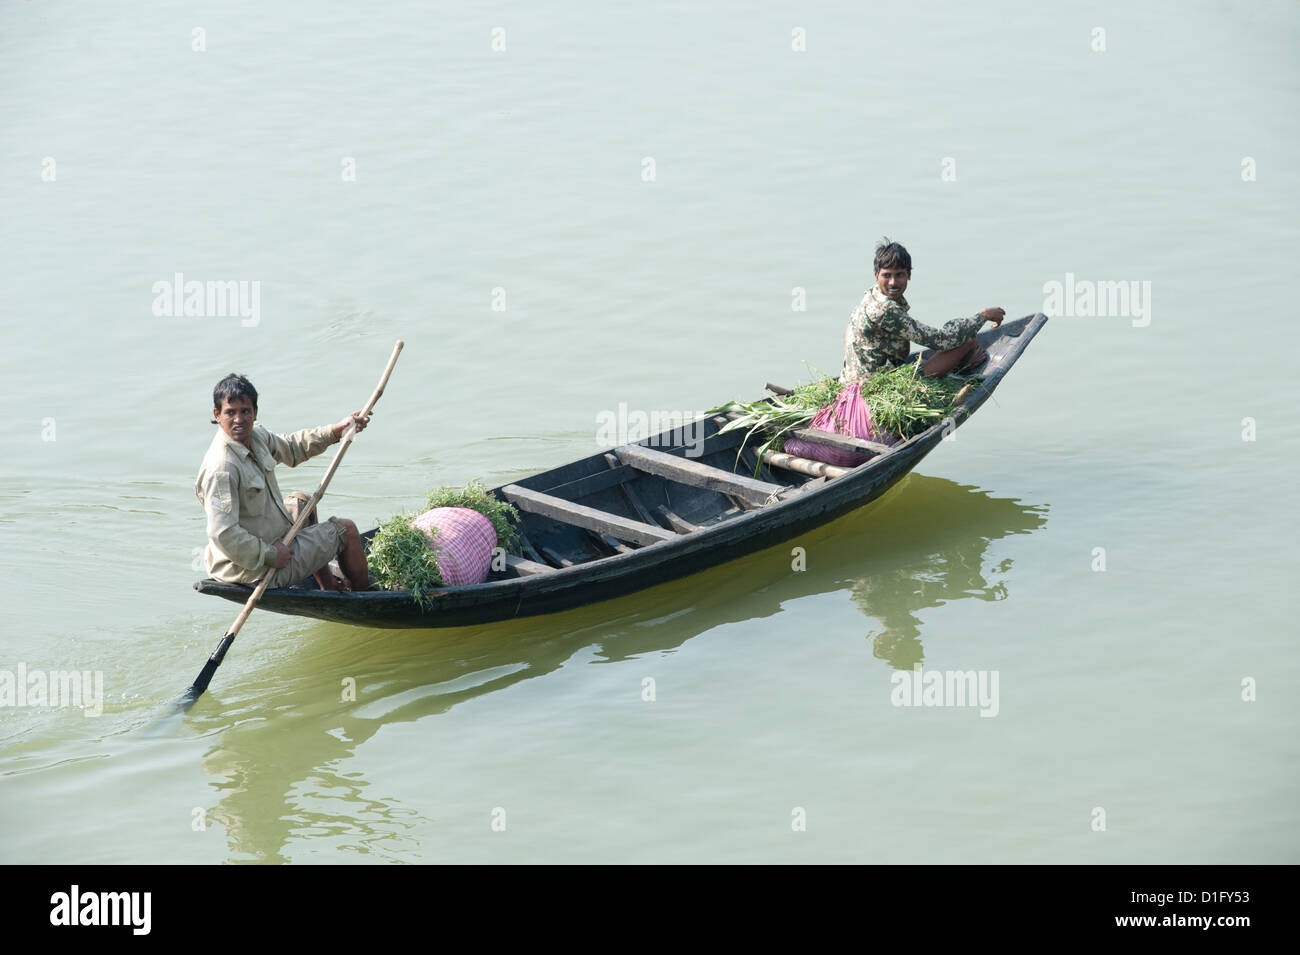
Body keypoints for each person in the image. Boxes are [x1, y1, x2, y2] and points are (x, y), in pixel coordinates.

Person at [195, 373, 371, 591]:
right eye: (230, 413)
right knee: (346, 530)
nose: (239, 420)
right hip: (252, 569)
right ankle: (364, 595)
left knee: (302, 501)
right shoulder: (221, 468)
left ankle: (328, 586)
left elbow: (293, 447)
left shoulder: (256, 437)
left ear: (255, 413)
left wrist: (337, 431)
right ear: (217, 415)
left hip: (270, 541)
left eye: (245, 412)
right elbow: (223, 533)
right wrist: (270, 555)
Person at [842, 238, 1006, 384]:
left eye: (899, 275)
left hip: (852, 380)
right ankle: (965, 362)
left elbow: (849, 330)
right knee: (968, 340)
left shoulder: (871, 295)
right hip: (877, 387)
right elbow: (940, 340)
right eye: (887, 275)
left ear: (909, 275)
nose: (893, 282)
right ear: (876, 275)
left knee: (851, 328)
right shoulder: (886, 310)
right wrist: (983, 316)